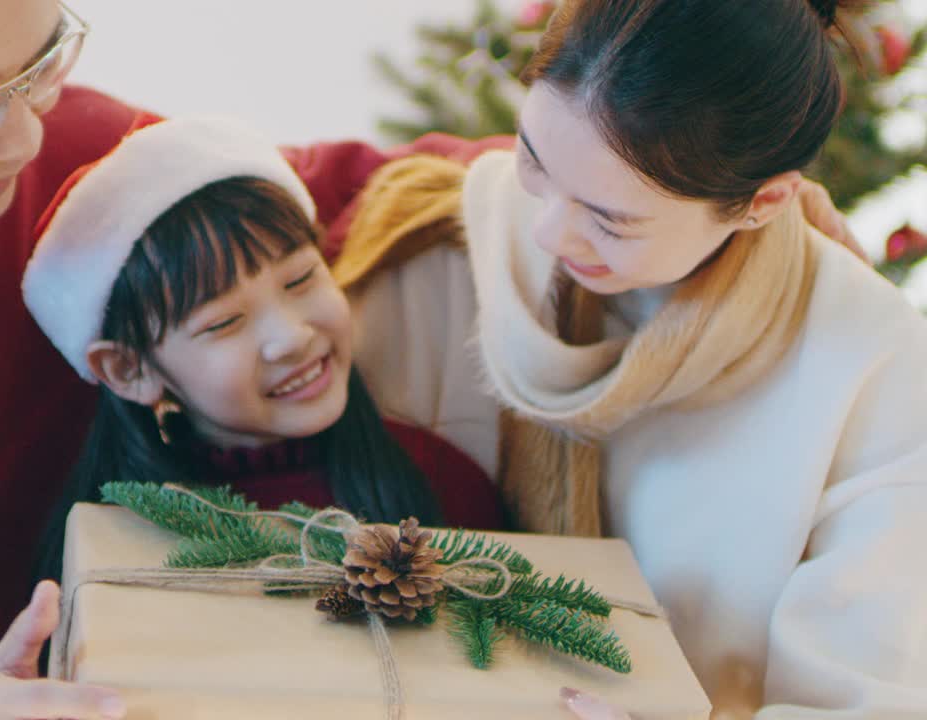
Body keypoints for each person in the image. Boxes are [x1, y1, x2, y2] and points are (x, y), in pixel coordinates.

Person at [0, 0, 858, 718]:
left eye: (42, 63)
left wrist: (645, 187)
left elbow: (321, 195)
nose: (24, 137)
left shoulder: (40, 150)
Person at [333, 0, 927, 717]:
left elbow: (867, 698)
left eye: (610, 221)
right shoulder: (445, 242)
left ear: (763, 204)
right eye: (533, 158)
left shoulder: (871, 368)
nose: (549, 231)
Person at [20, 114, 504, 585]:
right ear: (129, 370)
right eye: (225, 322)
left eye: (301, 279)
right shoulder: (111, 542)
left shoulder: (440, 480)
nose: (292, 337)